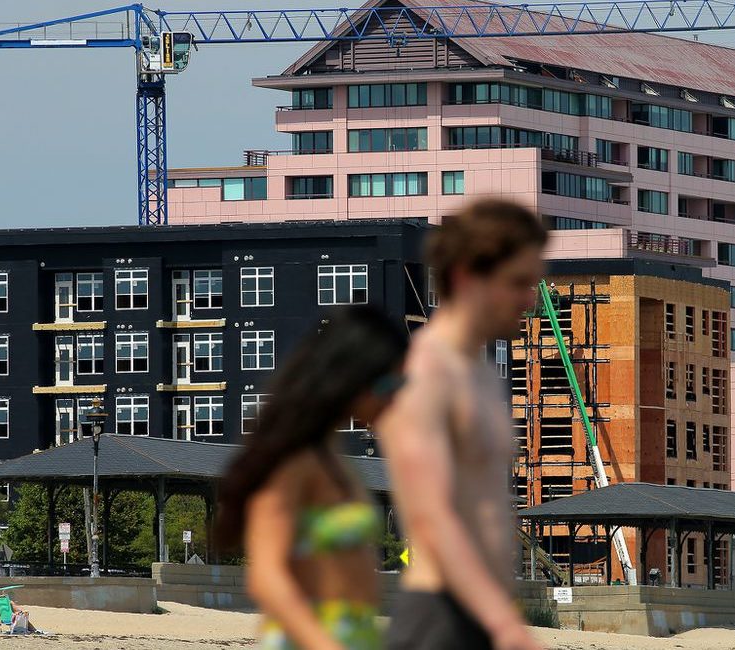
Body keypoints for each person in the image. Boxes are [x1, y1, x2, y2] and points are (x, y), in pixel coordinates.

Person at [379, 199, 548, 650]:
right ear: (464, 278)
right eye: (517, 283)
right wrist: (505, 625)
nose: (530, 300)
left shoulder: (477, 371)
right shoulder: (429, 374)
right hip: (440, 618)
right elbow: (432, 515)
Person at [216, 305, 408, 650]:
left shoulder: (333, 458)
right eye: (389, 383)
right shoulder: (292, 460)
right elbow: (266, 575)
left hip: (357, 634)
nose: (395, 397)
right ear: (352, 377)